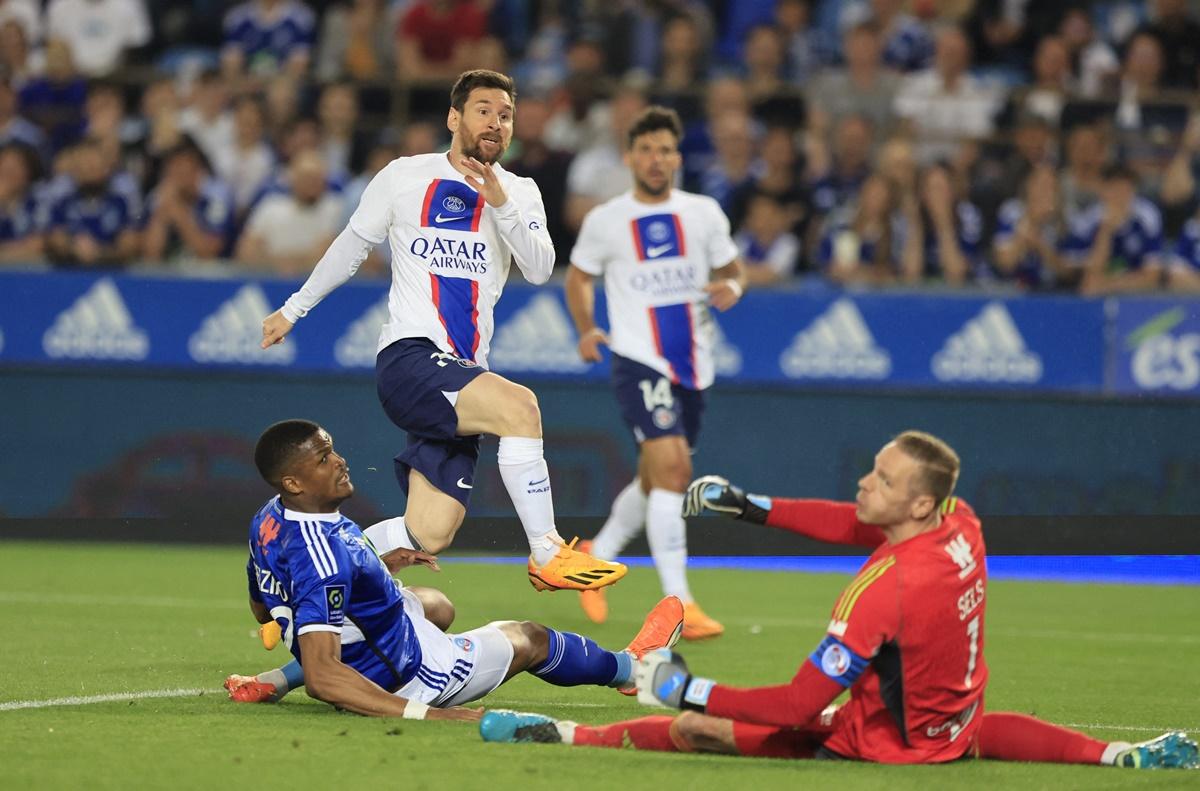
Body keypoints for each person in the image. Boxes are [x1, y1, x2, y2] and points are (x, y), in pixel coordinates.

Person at [478, 430, 1200, 771]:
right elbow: (855, 523)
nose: (864, 482)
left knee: (702, 730)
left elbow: (795, 706)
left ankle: (559, 733)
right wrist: (754, 507)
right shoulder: (963, 522)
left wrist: (681, 685)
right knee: (973, 729)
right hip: (951, 715)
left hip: (887, 741)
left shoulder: (882, 589)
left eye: (881, 479)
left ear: (916, 501)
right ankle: (1117, 754)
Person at [259, 69, 625, 592]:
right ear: (454, 117)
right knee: (521, 408)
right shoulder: (405, 176)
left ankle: (293, 565)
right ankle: (546, 551)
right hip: (410, 357)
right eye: (483, 111)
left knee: (427, 533)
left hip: (461, 372)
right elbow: (352, 245)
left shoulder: (520, 192)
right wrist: (293, 309)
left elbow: (542, 268)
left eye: (505, 115)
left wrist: (499, 203)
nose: (496, 123)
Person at [222, 419, 684, 713]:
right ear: (293, 481)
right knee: (531, 637)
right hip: (408, 675)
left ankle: (278, 678)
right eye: (324, 459)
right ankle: (632, 670)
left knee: (435, 605)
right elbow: (324, 679)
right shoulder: (323, 556)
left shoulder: (269, 517)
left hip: (358, 635)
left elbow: (263, 605)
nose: (340, 462)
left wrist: (379, 566)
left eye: (333, 449)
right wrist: (429, 714)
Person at [563, 106, 746, 640]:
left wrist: (732, 289)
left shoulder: (704, 212)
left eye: (665, 150)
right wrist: (584, 327)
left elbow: (733, 272)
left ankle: (597, 556)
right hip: (638, 359)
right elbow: (578, 278)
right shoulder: (607, 219)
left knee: (655, 476)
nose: (656, 159)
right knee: (672, 472)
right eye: (646, 149)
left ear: (677, 157)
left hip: (694, 364)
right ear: (629, 157)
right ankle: (680, 604)